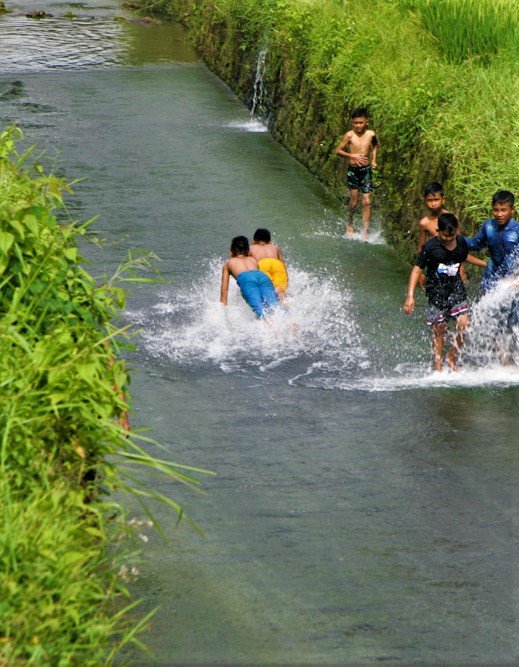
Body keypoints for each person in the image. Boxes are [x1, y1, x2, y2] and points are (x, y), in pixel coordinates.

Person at [404, 213, 470, 372]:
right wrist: (410, 296)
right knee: (439, 330)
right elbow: (416, 270)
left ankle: (451, 357)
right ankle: (438, 366)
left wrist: (472, 268)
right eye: (445, 236)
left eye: (452, 236)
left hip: (456, 290)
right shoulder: (430, 247)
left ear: (457, 231)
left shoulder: (461, 242)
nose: (448, 239)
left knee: (465, 325)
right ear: (438, 230)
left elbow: (464, 258)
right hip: (436, 293)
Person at [417, 182, 486, 285]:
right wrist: (420, 272)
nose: (433, 203)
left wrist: (461, 270)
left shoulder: (452, 219)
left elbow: (460, 247)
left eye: (436, 200)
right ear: (425, 201)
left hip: (453, 264)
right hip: (435, 263)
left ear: (443, 199)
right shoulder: (424, 223)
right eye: (429, 200)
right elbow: (420, 248)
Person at [336, 107, 379, 238]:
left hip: (365, 170)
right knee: (354, 201)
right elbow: (338, 150)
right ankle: (349, 223)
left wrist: (374, 160)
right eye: (355, 123)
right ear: (352, 123)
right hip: (353, 171)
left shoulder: (371, 134)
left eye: (361, 122)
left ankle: (365, 231)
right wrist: (352, 156)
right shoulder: (349, 135)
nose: (358, 125)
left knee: (367, 201)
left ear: (367, 122)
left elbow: (376, 146)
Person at [465, 190, 519, 293]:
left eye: (503, 210)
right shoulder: (488, 226)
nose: (499, 214)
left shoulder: (517, 230)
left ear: (512, 210)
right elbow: (475, 244)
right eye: (496, 210)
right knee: (486, 306)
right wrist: (455, 238)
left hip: (513, 278)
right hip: (492, 275)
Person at [220, 236, 279, 319]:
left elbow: (224, 291)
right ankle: (290, 324)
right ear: (248, 250)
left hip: (247, 279)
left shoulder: (228, 263)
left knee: (261, 312)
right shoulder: (252, 259)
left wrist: (223, 313)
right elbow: (256, 279)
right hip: (262, 277)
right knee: (275, 307)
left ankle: (273, 329)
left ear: (232, 251)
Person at [249, 228, 288, 303]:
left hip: (262, 265)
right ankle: (284, 302)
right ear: (269, 241)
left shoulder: (251, 248)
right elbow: (283, 265)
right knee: (280, 290)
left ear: (254, 240)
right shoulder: (274, 247)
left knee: (266, 289)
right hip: (277, 265)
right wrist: (286, 279)